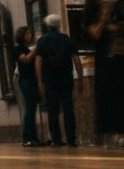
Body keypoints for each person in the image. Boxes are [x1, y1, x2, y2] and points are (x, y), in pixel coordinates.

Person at [84, 0, 124, 149]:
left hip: (121, 59)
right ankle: (111, 135)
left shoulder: (118, 9)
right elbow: (94, 34)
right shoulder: (90, 14)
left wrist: (116, 27)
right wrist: (103, 18)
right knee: (107, 98)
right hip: (104, 62)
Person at [35, 13, 82, 148]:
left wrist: (40, 81)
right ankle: (71, 139)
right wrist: (80, 77)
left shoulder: (42, 41)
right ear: (59, 25)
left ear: (47, 25)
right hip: (66, 77)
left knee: (53, 109)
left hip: (50, 79)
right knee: (68, 108)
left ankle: (56, 139)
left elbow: (38, 61)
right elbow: (76, 59)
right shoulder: (66, 39)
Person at [12, 25, 39, 146]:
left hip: (31, 80)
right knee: (29, 110)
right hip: (26, 81)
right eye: (27, 33)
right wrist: (36, 48)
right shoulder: (18, 48)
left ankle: (33, 137)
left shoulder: (26, 48)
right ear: (22, 36)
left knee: (32, 110)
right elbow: (26, 60)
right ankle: (27, 138)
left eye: (30, 33)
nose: (30, 35)